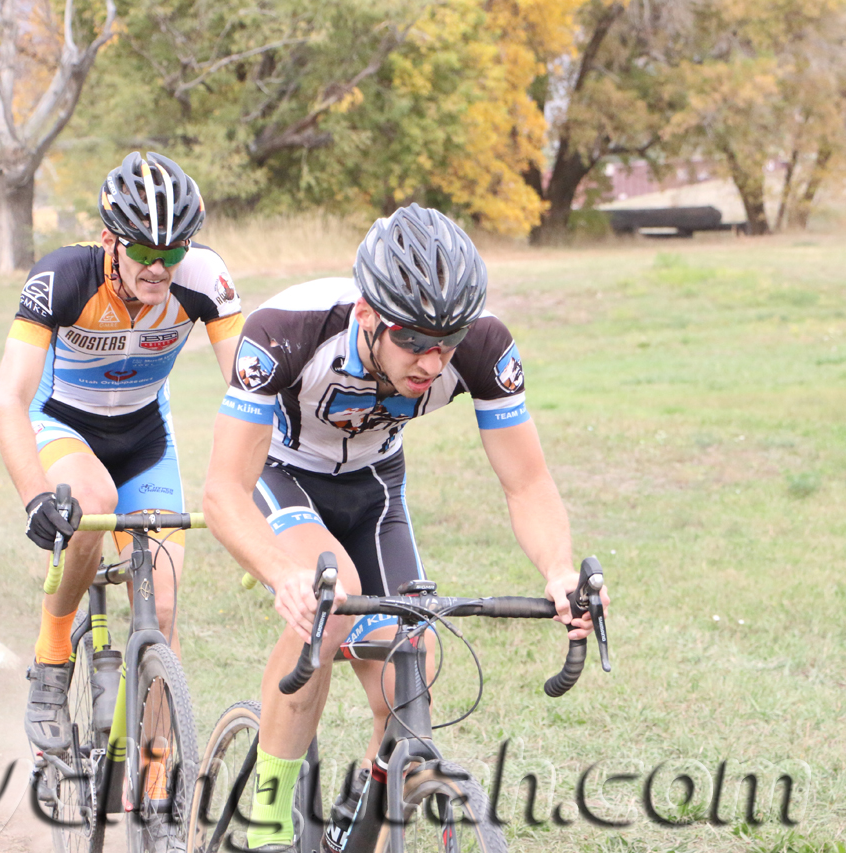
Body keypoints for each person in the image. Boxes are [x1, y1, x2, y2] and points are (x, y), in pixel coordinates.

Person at [202, 203, 609, 852]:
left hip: (375, 489)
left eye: (445, 342)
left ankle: (353, 825)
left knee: (406, 676)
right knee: (330, 612)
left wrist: (559, 571)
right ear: (368, 314)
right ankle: (271, 822)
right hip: (284, 474)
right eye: (414, 340)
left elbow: (527, 482)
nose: (431, 360)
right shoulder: (288, 330)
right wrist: (283, 574)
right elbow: (222, 490)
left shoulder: (483, 349)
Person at [0, 151, 244, 753]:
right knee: (94, 500)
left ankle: (155, 791)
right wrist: (33, 499)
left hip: (144, 440)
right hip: (62, 426)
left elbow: (251, 387)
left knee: (163, 610)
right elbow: (8, 398)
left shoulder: (205, 279)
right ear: (110, 239)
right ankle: (53, 653)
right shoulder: (62, 278)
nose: (160, 268)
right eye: (144, 253)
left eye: (175, 252)